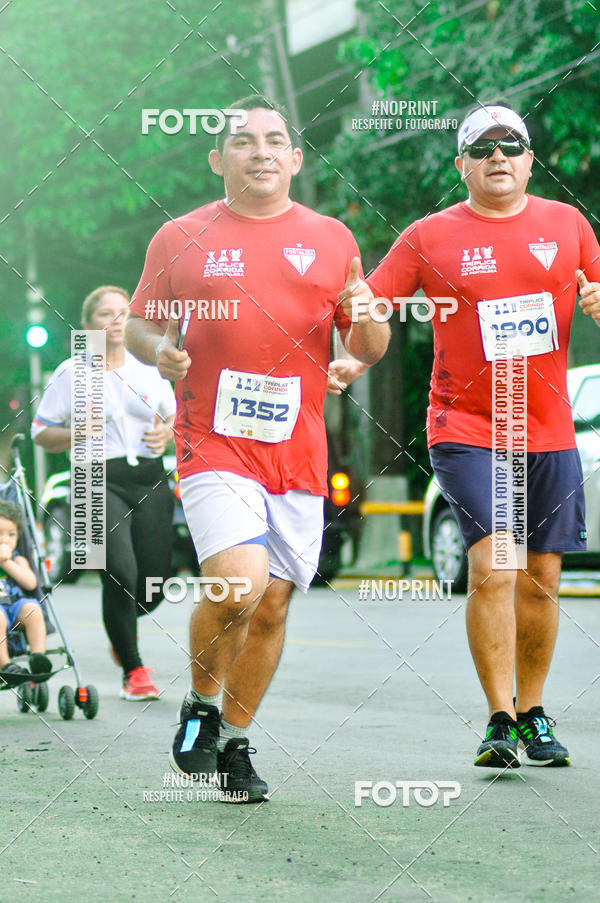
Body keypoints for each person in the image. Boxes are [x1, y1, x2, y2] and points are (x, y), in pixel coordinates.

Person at [124, 94, 389, 802]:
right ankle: (199, 704)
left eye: (275, 139)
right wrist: (162, 353)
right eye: (243, 141)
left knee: (270, 607)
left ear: (296, 158)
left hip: (297, 450)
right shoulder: (179, 235)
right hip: (212, 439)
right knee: (238, 584)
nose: (261, 151)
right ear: (219, 159)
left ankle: (234, 740)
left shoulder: (332, 237)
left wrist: (364, 331)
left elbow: (367, 338)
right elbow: (142, 326)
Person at [365, 101, 600, 768]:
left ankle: (533, 713)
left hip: (550, 429)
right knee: (495, 567)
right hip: (468, 427)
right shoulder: (427, 235)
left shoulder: (569, 225)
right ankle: (499, 717)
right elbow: (370, 308)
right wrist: (353, 348)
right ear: (462, 165)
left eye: (512, 145)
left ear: (530, 161)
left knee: (542, 579)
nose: (499, 156)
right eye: (484, 147)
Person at [32, 286, 176, 701]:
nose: (116, 322)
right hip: (95, 478)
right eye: (105, 315)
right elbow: (40, 432)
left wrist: (166, 431)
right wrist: (78, 431)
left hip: (149, 478)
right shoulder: (70, 373)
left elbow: (175, 416)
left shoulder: (149, 368)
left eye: (124, 313)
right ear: (87, 325)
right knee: (120, 572)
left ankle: (121, 630)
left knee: (153, 586)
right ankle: (134, 669)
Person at [0, 499, 51, 684]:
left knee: (33, 608)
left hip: (14, 608)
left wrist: (6, 562)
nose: (5, 539)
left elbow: (31, 583)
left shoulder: (18, 559)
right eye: (0, 534)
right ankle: (5, 664)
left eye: (11, 534)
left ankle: (38, 656)